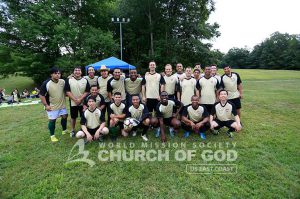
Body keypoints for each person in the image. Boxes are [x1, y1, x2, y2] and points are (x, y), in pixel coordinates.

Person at [39, 67, 68, 142]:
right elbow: (41, 95)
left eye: (59, 73)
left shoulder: (62, 81)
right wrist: (46, 105)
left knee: (64, 117)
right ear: (51, 74)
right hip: (51, 106)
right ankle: (52, 136)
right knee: (52, 120)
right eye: (56, 73)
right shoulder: (46, 83)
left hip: (62, 105)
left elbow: (68, 84)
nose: (58, 75)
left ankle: (64, 130)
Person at [65, 67, 90, 137]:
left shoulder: (85, 80)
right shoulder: (69, 80)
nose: (77, 72)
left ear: (81, 72)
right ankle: (72, 130)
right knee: (73, 117)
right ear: (73, 72)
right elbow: (67, 91)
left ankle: (83, 129)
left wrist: (80, 99)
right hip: (73, 102)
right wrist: (75, 100)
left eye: (79, 70)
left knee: (84, 116)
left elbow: (87, 91)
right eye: (75, 70)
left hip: (83, 102)